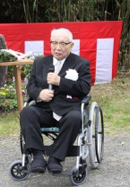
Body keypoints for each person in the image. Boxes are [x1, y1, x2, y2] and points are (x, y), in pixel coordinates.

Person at [20, 28, 91, 174]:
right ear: (50, 43)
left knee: (75, 118)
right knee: (27, 111)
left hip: (68, 110)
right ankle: (38, 155)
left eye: (63, 44)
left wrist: (60, 81)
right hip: (44, 109)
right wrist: (39, 94)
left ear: (71, 46)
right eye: (54, 43)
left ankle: (55, 158)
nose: (58, 47)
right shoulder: (39, 63)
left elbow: (84, 88)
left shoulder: (81, 64)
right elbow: (30, 86)